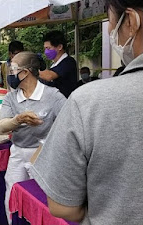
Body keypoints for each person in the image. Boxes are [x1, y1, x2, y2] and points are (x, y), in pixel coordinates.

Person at [30, 1, 143, 223]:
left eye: (111, 22)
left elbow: (63, 206)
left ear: (130, 22)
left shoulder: (89, 102)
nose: (110, 31)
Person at [0, 52, 66, 224]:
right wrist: (18, 119)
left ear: (26, 72)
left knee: (41, 200)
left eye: (13, 69)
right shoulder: (11, 97)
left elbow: (68, 123)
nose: (10, 74)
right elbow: (3, 125)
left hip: (43, 156)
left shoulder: (53, 96)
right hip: (18, 153)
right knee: (12, 196)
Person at [39, 30, 78, 98]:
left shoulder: (68, 62)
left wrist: (31, 70)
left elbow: (49, 76)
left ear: (60, 47)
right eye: (45, 48)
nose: (46, 52)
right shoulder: (54, 65)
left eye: (48, 48)